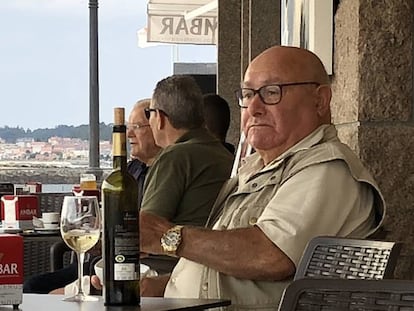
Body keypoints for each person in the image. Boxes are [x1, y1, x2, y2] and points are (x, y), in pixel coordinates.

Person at [138, 46, 386, 309]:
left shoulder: (328, 169)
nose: (253, 108)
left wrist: (165, 235)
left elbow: (271, 255)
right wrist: (162, 285)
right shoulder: (256, 168)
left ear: (320, 100)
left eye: (271, 93)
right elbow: (228, 271)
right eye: (247, 94)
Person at [23, 98, 161, 294]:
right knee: (31, 286)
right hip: (96, 262)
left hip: (122, 267)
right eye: (128, 128)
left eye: (137, 127)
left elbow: (146, 231)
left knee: (38, 293)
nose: (129, 133)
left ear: (157, 126)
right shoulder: (131, 170)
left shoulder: (163, 176)